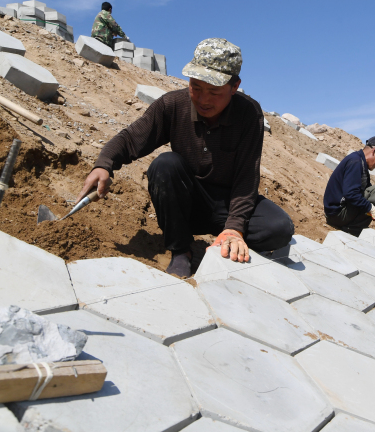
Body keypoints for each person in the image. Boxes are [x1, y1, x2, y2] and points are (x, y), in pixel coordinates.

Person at [76, 38, 294, 277]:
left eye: (214, 91)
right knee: (164, 165)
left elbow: (246, 178)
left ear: (234, 86)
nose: (203, 99)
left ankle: (228, 241)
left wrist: (234, 227)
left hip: (227, 203)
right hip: (186, 203)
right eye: (196, 87)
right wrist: (103, 165)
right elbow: (131, 139)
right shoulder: (173, 105)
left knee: (279, 228)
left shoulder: (249, 114)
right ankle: (181, 250)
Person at [323, 137, 375, 236]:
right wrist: (371, 208)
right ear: (374, 151)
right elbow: (350, 194)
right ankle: (352, 231)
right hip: (337, 214)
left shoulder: (361, 163)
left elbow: (369, 192)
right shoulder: (355, 162)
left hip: (341, 212)